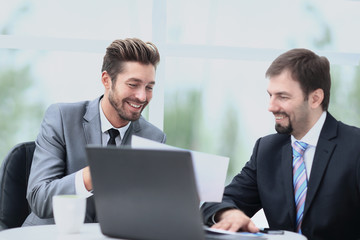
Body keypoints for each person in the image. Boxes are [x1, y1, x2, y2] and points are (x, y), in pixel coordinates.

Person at [201, 48, 360, 240]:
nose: (271, 107)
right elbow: (218, 201)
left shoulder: (355, 147)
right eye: (270, 95)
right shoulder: (266, 150)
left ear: (315, 98)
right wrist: (229, 213)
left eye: (283, 97)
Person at [23, 38, 166, 226]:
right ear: (106, 80)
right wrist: (93, 174)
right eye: (133, 84)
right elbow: (39, 199)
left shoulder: (153, 138)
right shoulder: (61, 118)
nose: (142, 96)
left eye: (149, 87)